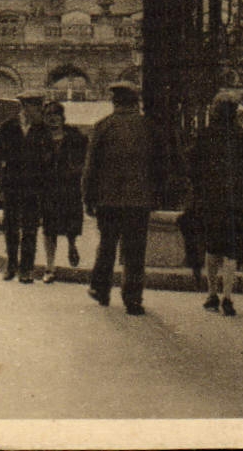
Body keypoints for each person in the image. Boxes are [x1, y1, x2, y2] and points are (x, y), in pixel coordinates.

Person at [82, 81, 163, 315]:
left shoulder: (103, 126)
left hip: (108, 201)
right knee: (135, 250)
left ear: (115, 101)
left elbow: (90, 168)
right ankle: (133, 299)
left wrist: (88, 198)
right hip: (139, 201)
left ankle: (101, 289)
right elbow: (159, 165)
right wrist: (156, 194)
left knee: (107, 245)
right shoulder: (148, 127)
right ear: (135, 101)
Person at [187, 91, 243, 317]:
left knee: (212, 247)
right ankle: (228, 297)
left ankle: (212, 294)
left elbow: (193, 166)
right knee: (231, 251)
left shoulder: (205, 135)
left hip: (211, 199)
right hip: (236, 200)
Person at [0, 89, 50, 283]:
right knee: (10, 226)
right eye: (37, 107)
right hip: (12, 184)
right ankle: (11, 266)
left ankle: (26, 269)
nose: (40, 111)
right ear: (26, 107)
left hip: (33, 186)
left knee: (30, 228)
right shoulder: (7, 127)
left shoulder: (43, 130)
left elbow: (48, 158)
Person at [38, 99, 88, 283]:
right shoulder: (41, 139)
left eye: (56, 116)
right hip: (48, 189)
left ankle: (72, 245)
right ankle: (49, 267)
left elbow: (84, 159)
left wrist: (76, 170)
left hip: (69, 187)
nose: (53, 120)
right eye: (49, 116)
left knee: (71, 224)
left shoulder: (75, 137)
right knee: (48, 228)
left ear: (62, 117)